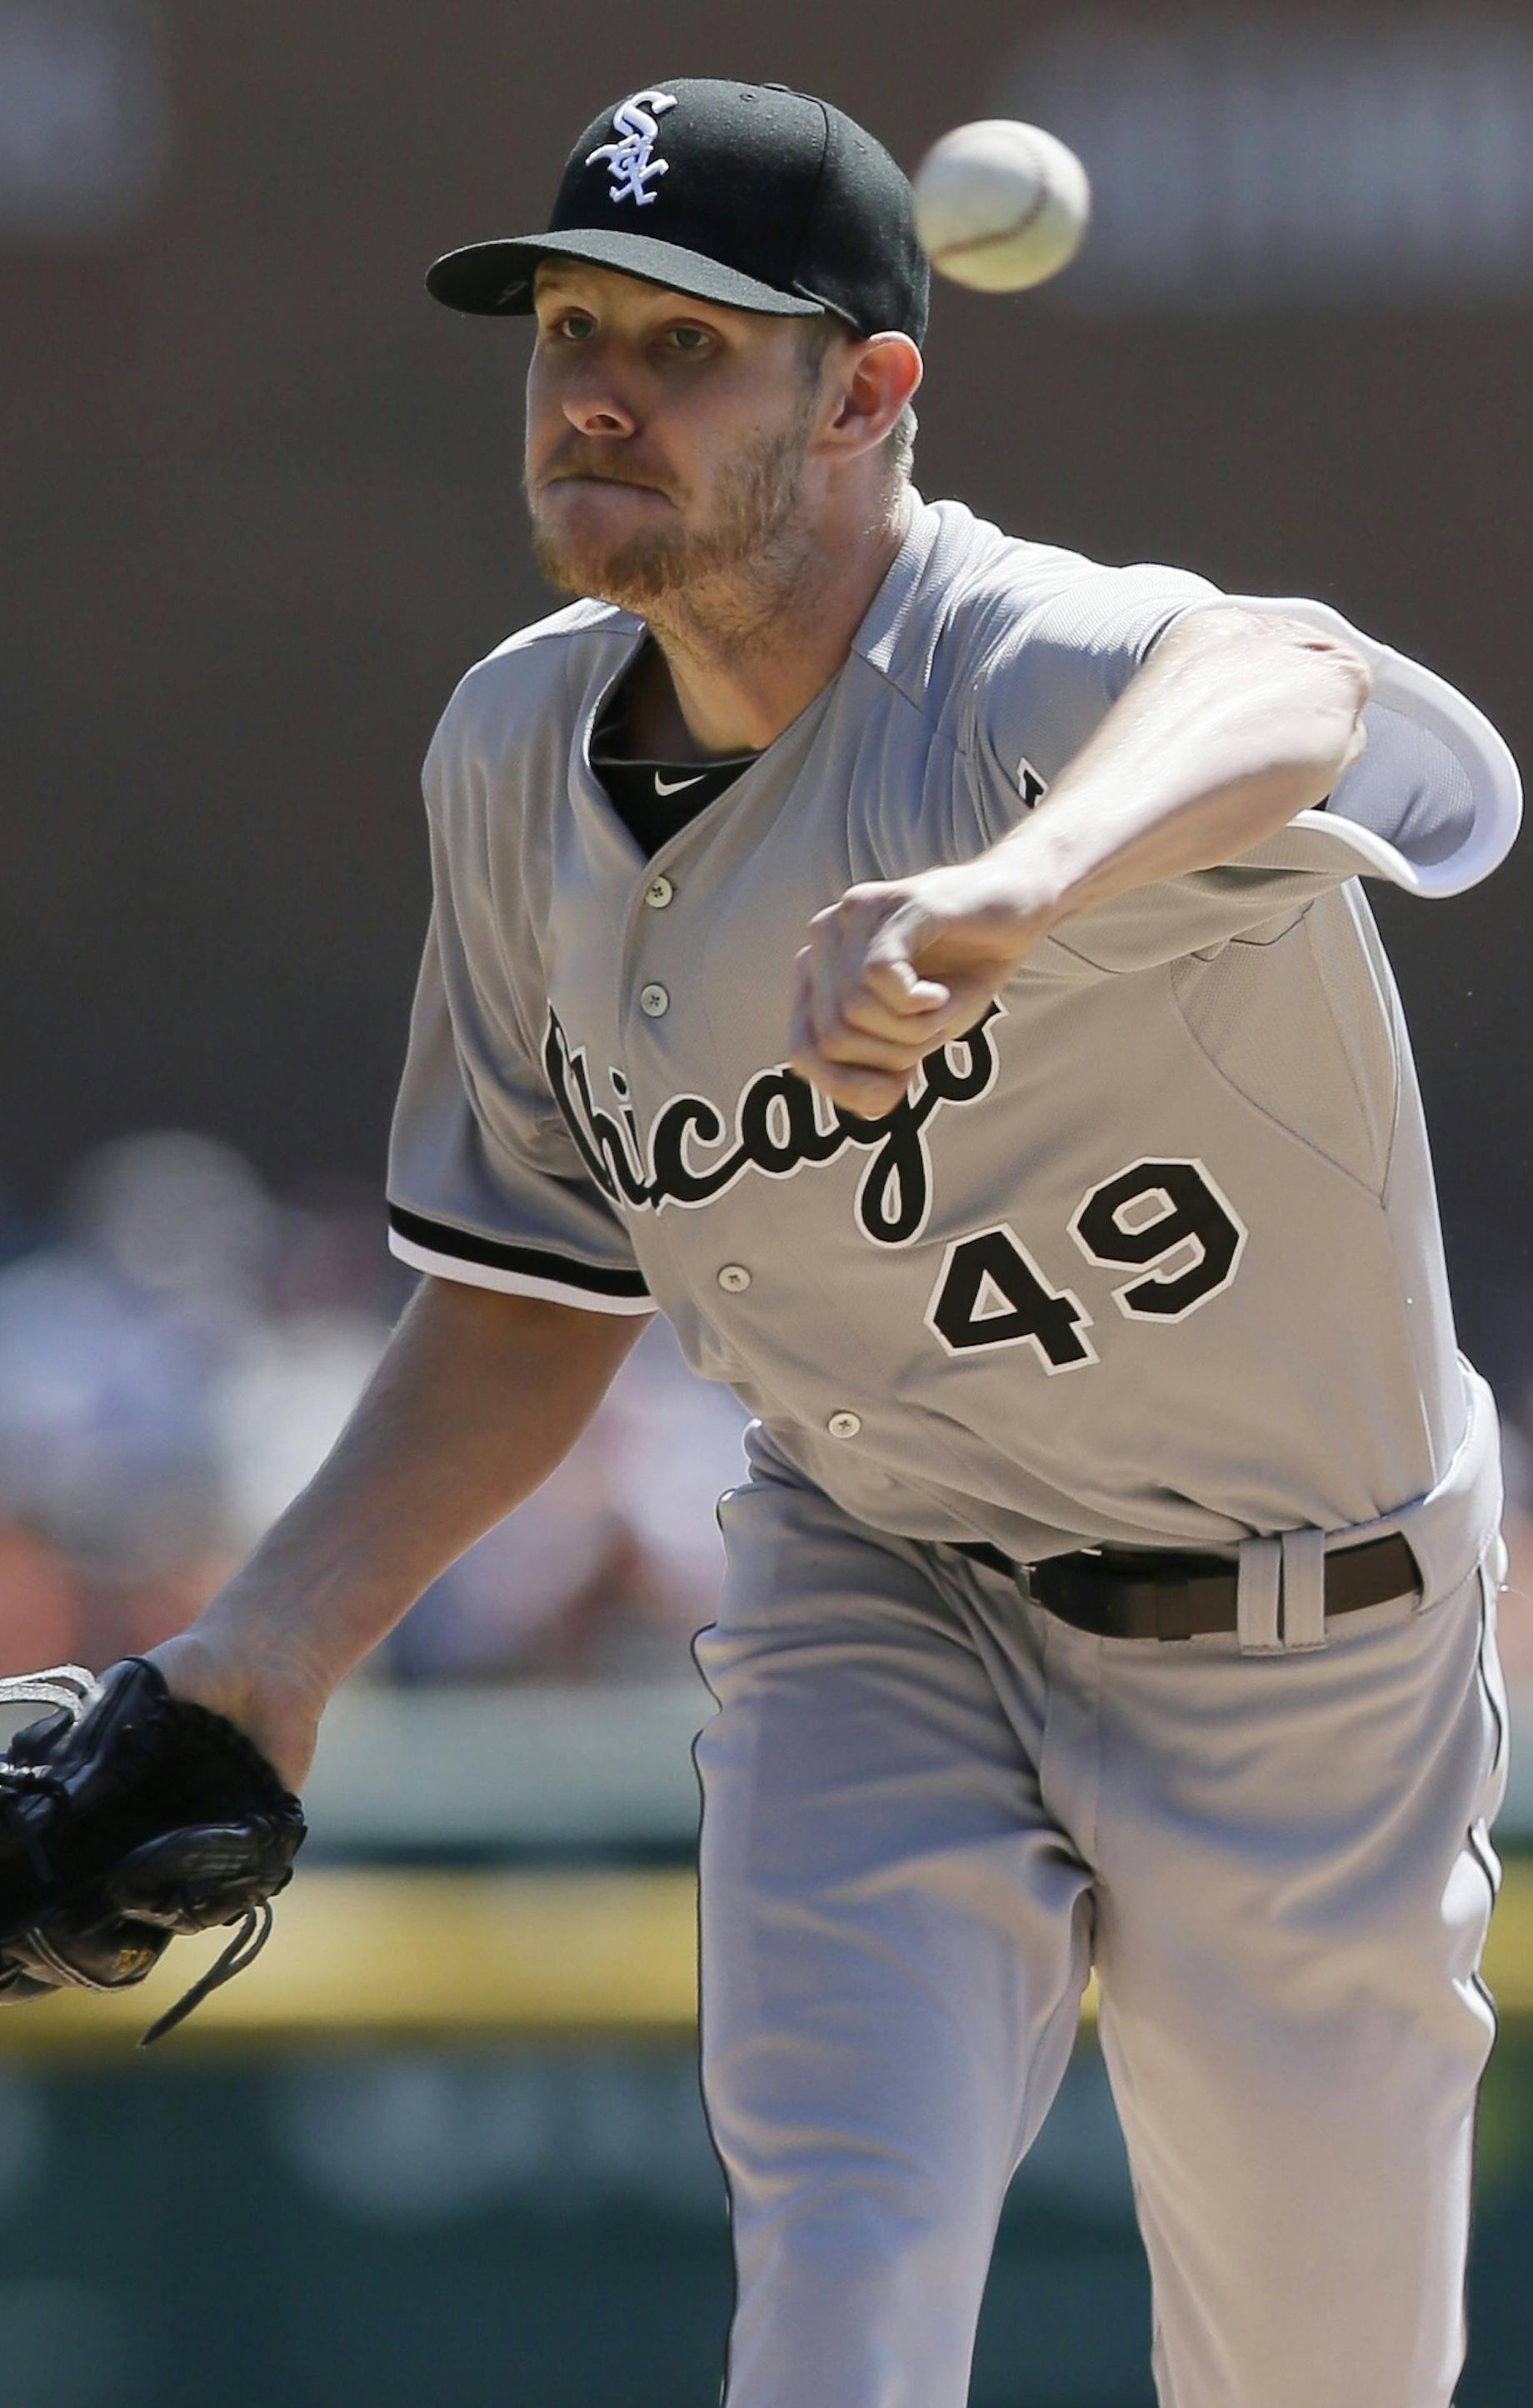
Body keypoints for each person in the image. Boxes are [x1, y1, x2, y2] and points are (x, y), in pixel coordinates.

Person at [149, 78, 1520, 2408]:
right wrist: (268, 1649)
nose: (597, 382)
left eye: (688, 344)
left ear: (871, 392)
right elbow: (528, 1291)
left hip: (1303, 1633)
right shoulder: (511, 753)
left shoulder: (1016, 670)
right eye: (571, 324)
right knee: (841, 2309)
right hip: (880, 1584)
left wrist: (1022, 881)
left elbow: (1315, 686)